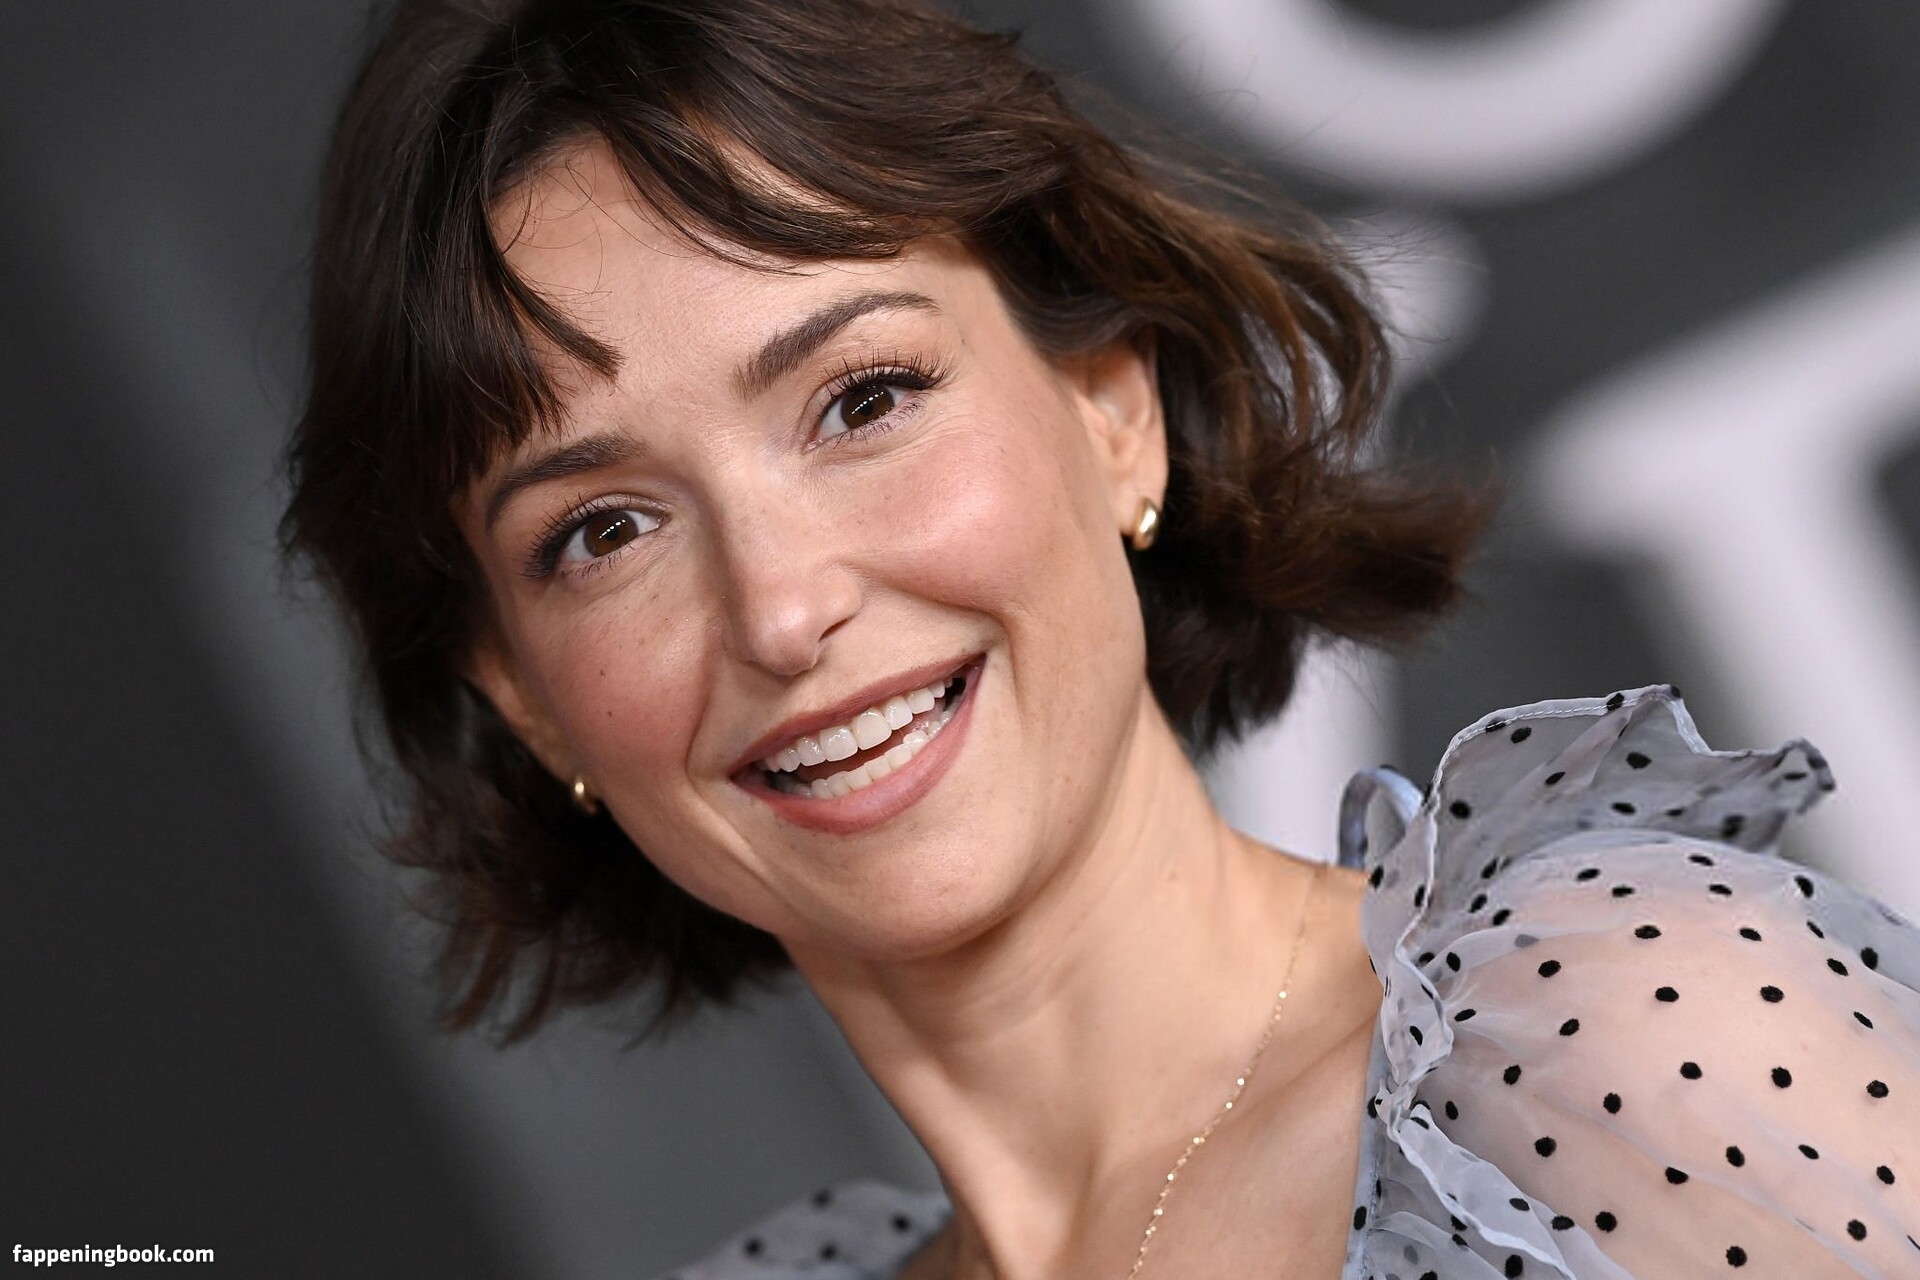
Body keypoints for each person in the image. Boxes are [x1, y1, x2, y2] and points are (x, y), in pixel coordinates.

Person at [281, 1, 1920, 1276]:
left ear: (1113, 409)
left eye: (864, 400)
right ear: (525, 695)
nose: (781, 610)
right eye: (604, 531)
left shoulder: (1618, 1045)